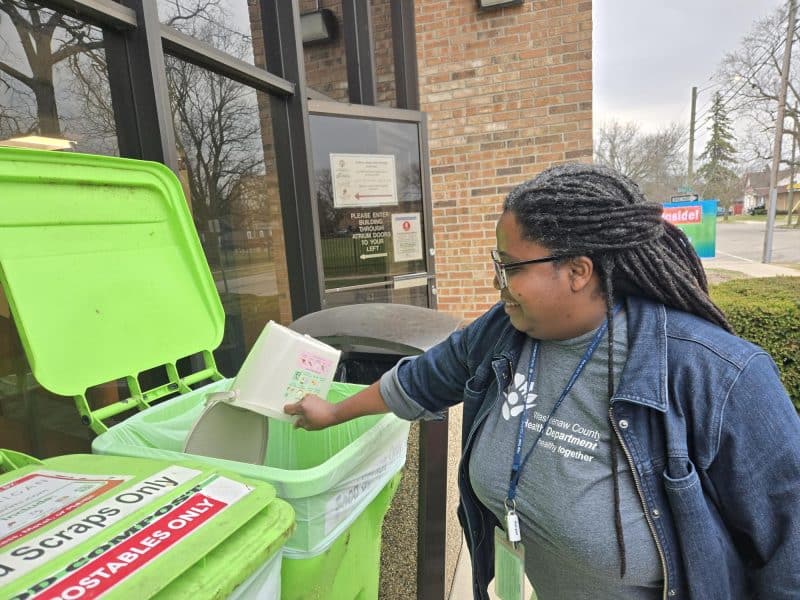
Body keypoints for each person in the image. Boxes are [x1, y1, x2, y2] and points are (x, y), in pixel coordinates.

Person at [284, 163, 800, 600]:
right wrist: (332, 412)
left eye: (509, 265)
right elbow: (425, 378)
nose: (497, 282)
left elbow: (788, 553)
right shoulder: (504, 332)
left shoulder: (718, 376)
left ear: (578, 270)